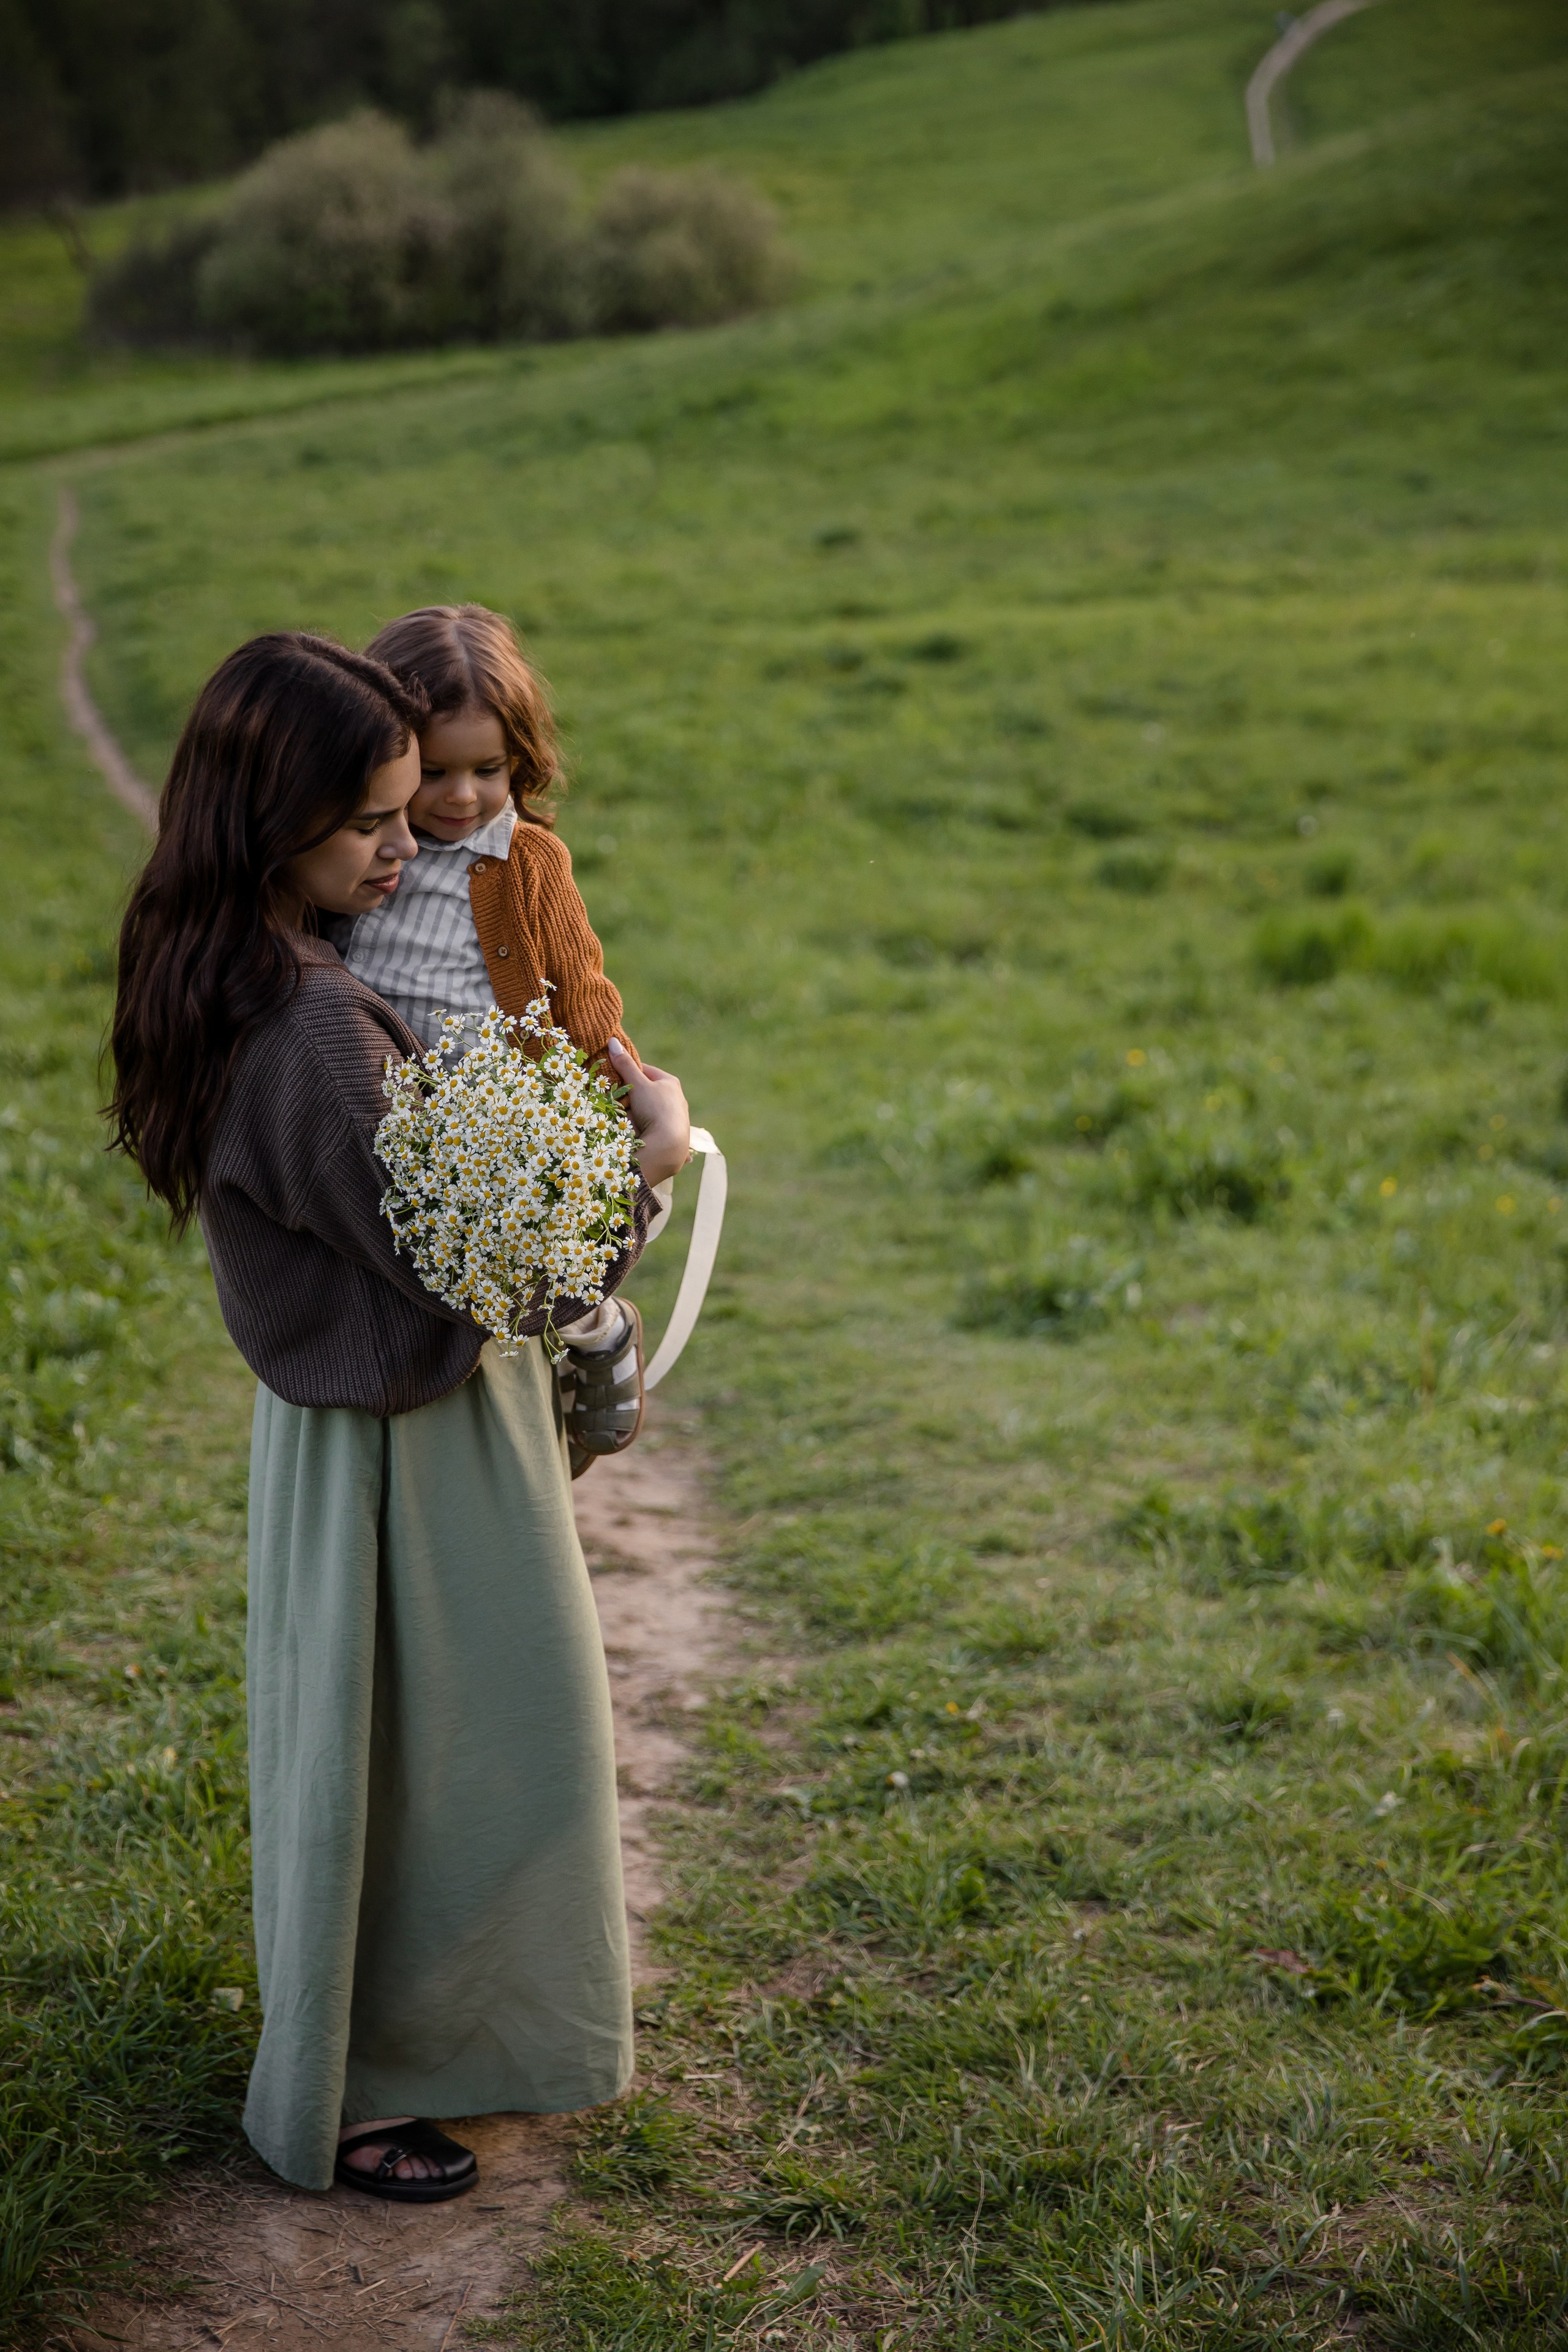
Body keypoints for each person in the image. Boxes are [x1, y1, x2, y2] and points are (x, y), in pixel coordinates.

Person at [110, 632, 690, 2201]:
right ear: (271, 820)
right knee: (429, 1762)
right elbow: (489, 1263)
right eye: (371, 816)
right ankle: (357, 2086)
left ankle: (437, 2046)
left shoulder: (294, 979)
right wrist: (647, 1159)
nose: (410, 839)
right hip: (400, 1444)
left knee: (463, 1755)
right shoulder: (305, 1029)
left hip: (397, 1421)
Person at [350, 603, 651, 1472]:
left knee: (533, 1243)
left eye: (490, 769)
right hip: (390, 1100)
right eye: (435, 772)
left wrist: (614, 1080)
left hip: (502, 1098)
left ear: (522, 758)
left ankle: (595, 1331)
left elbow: (580, 984)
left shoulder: (527, 861)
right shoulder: (368, 849)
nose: (462, 797)